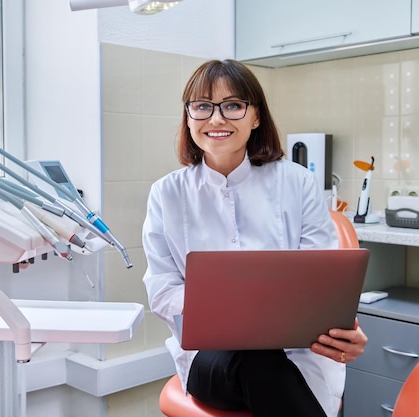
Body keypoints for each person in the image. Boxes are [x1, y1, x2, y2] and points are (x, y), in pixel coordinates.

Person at [142, 59, 367, 417]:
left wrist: (344, 331)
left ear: (256, 116)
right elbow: (162, 291)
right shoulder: (167, 194)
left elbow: (322, 285)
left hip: (299, 355)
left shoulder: (297, 182)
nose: (216, 119)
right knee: (255, 360)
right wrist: (238, 303)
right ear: (188, 117)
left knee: (267, 366)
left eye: (233, 106)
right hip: (209, 362)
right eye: (202, 107)